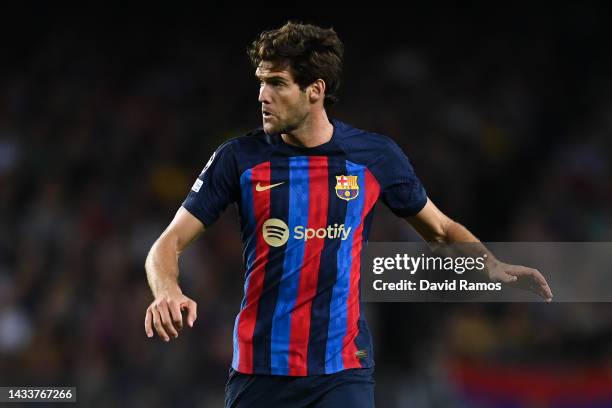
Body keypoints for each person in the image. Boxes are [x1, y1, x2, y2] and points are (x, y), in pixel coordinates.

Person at [144, 21, 553, 408]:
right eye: (261, 83)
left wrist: (491, 265)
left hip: (342, 371)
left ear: (315, 90)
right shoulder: (239, 159)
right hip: (259, 371)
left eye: (277, 83)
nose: (262, 96)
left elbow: (442, 230)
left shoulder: (374, 157)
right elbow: (167, 244)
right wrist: (167, 290)